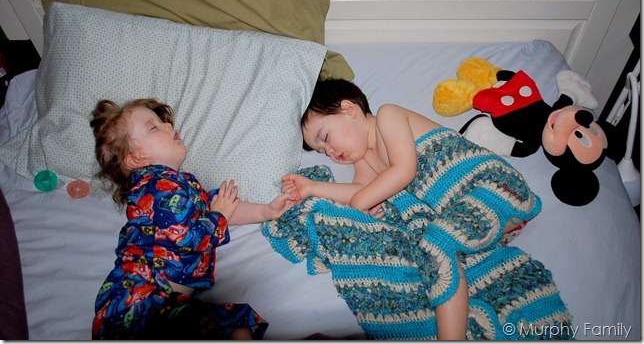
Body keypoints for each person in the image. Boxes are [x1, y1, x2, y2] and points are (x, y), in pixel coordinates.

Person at [282, 79, 540, 340]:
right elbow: (359, 191)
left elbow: (404, 170)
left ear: (349, 109)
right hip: (483, 223)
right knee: (432, 255)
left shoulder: (388, 116)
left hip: (494, 186)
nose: (329, 151)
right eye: (322, 151)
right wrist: (313, 188)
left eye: (326, 138)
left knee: (436, 245)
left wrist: (361, 202)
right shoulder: (365, 159)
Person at [90, 98, 298, 340]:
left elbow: (216, 208)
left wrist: (265, 212)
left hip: (165, 302)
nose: (169, 126)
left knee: (237, 324)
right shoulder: (154, 187)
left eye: (163, 122)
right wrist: (218, 215)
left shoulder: (180, 184)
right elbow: (188, 237)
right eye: (154, 127)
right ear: (137, 159)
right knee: (234, 325)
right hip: (137, 301)